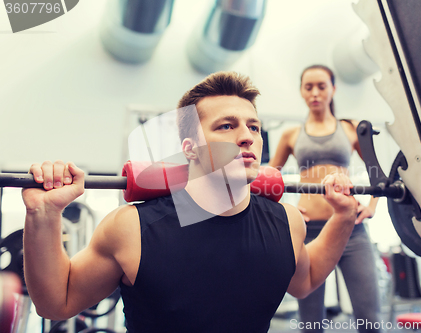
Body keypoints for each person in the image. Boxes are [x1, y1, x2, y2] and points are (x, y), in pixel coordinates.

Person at [22, 71, 358, 333]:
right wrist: (43, 214)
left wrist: (342, 218)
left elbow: (306, 279)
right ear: (189, 149)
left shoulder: (287, 222)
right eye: (226, 126)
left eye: (253, 127)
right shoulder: (131, 229)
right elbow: (58, 302)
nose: (247, 136)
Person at [268, 65, 382, 333]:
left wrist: (373, 205)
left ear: (333, 88)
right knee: (310, 323)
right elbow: (269, 179)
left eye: (321, 86)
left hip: (351, 230)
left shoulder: (351, 128)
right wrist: (282, 209)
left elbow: (377, 171)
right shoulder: (291, 135)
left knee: (370, 319)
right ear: (301, 92)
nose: (315, 93)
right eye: (309, 87)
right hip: (308, 233)